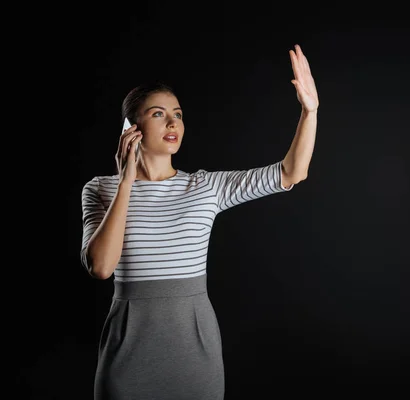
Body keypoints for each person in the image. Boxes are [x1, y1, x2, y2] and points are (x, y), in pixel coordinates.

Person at [80, 44, 318, 400]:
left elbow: (291, 172)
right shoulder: (101, 189)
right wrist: (126, 182)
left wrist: (309, 112)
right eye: (159, 114)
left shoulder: (205, 186)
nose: (173, 123)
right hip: (128, 352)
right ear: (131, 127)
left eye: (178, 114)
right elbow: (100, 267)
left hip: (194, 350)